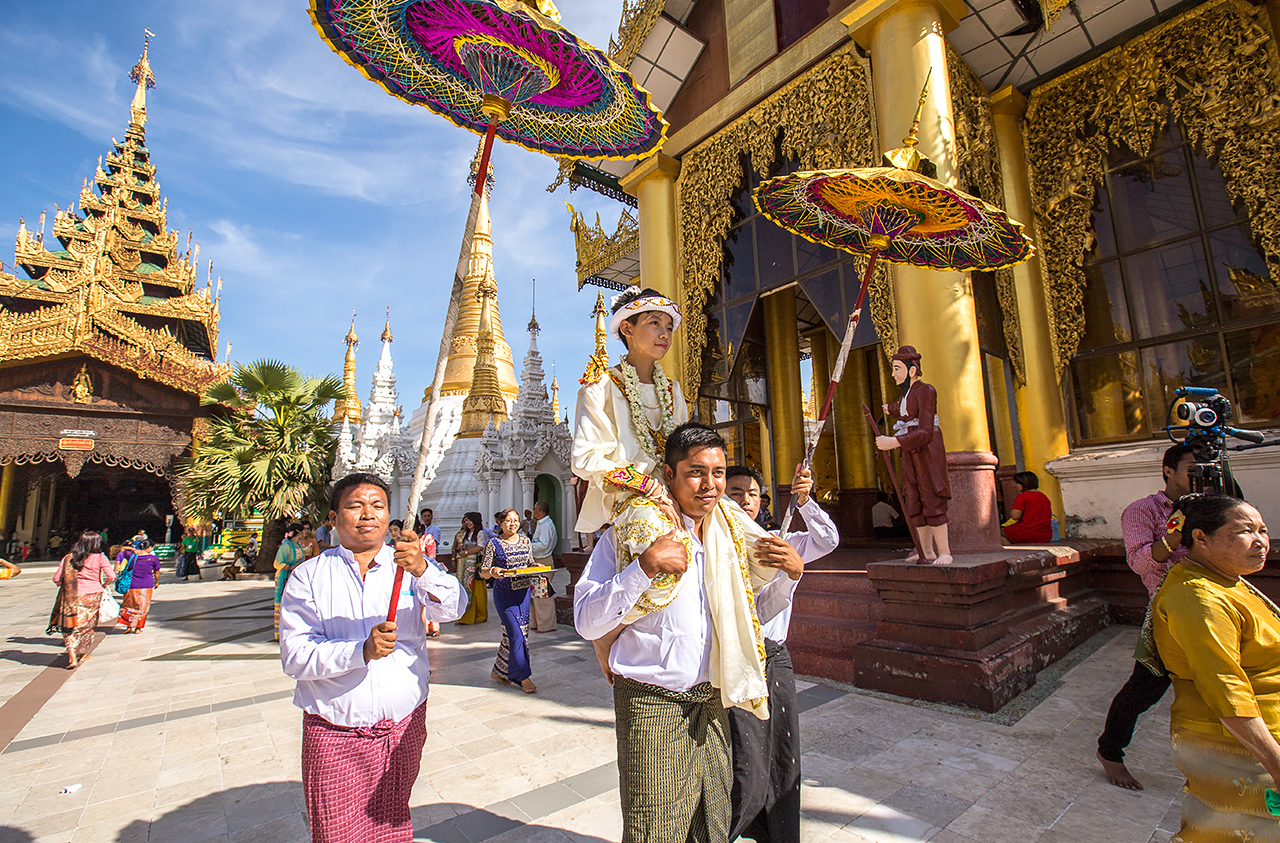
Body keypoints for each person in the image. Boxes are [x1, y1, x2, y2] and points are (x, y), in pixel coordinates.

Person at [575, 423, 799, 843]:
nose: (710, 485)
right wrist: (643, 568)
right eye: (696, 472)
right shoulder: (632, 533)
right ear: (667, 474)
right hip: (650, 703)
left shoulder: (730, 540)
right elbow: (587, 620)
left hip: (712, 702)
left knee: (711, 824)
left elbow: (753, 620)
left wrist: (789, 576)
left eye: (718, 473)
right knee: (654, 829)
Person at [280, 472, 466, 843]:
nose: (368, 514)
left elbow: (453, 608)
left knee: (392, 824)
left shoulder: (408, 567)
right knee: (337, 832)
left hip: (403, 725)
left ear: (389, 516)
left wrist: (425, 570)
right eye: (355, 506)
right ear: (333, 519)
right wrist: (359, 651)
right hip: (335, 733)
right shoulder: (309, 576)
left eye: (378, 506)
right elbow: (296, 657)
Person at [1149, 494, 1275, 841]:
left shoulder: (1228, 579)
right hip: (1239, 744)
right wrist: (1275, 761)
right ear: (1201, 538)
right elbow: (1224, 688)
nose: (1261, 541)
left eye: (1262, 530)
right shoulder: (1198, 596)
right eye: (1245, 532)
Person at [724, 463, 838, 843]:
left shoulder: (777, 539)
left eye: (752, 494)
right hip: (734, 660)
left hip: (773, 659)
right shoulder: (712, 547)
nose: (744, 500)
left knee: (781, 759)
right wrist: (791, 576)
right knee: (743, 764)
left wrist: (805, 501)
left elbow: (827, 539)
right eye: (736, 493)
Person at [1097, 443, 1195, 790]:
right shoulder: (1142, 511)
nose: (1198, 477)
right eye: (1191, 469)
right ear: (1168, 470)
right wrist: (1176, 533)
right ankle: (1110, 751)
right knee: (1144, 690)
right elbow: (1140, 563)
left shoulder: (1214, 508)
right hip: (1169, 613)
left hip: (1215, 608)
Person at [572, 287, 688, 537]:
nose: (664, 334)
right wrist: (649, 486)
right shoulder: (600, 387)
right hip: (629, 496)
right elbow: (585, 459)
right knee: (656, 530)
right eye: (654, 323)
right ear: (627, 329)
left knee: (728, 518)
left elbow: (684, 450)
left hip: (676, 488)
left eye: (669, 327)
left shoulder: (673, 391)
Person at [877, 345, 952, 564]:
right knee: (914, 500)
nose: (893, 374)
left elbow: (926, 432)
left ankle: (945, 552)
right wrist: (888, 410)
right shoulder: (904, 397)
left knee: (931, 497)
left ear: (911, 370)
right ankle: (925, 551)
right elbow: (896, 408)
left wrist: (895, 441)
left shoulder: (926, 390)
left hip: (926, 451)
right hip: (909, 453)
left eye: (897, 369)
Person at [480, 509, 539, 693]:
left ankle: (499, 670)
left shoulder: (525, 541)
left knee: (519, 634)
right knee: (515, 634)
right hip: (504, 594)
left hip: (522, 593)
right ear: (500, 523)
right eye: (508, 520)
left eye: (515, 520)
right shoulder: (493, 544)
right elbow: (483, 571)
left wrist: (535, 566)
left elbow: (529, 562)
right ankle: (522, 676)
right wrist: (492, 572)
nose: (512, 523)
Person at [48, 531, 114, 669]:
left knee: (70, 624)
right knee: (88, 625)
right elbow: (111, 576)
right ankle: (83, 653)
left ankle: (72, 655)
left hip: (71, 596)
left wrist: (67, 583)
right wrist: (104, 585)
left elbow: (57, 579)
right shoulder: (100, 557)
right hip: (93, 594)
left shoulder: (68, 558)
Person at [118, 540, 162, 633]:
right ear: (149, 547)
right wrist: (157, 582)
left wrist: (134, 549)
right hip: (146, 585)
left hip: (131, 585)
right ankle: (138, 628)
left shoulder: (132, 556)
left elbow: (122, 548)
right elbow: (157, 571)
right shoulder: (153, 558)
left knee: (129, 606)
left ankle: (129, 626)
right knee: (142, 607)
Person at [528, 500, 559, 633]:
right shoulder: (542, 524)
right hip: (537, 560)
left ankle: (546, 624)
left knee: (543, 595)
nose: (533, 511)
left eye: (535, 509)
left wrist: (527, 545)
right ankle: (537, 622)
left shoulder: (546, 524)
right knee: (536, 595)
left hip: (543, 561)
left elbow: (544, 544)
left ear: (539, 510)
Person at [454, 512, 488, 625]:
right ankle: (466, 616)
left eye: (469, 520)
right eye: (466, 521)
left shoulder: (480, 533)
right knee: (466, 591)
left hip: (475, 565)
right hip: (466, 566)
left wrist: (467, 552)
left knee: (477, 593)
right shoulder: (466, 534)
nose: (467, 523)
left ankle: (480, 615)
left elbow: (480, 547)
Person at [1002, 470, 1053, 544]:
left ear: (1023, 484)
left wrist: (1012, 511)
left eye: (1017, 483)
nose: (1016, 486)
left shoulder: (1023, 496)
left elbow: (1015, 516)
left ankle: (1011, 550)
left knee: (999, 533)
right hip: (1045, 535)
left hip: (1028, 532)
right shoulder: (1044, 497)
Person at [273, 524, 304, 642]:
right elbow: (277, 564)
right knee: (282, 602)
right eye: (302, 531)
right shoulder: (286, 546)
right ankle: (279, 632)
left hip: (294, 577)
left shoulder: (298, 545)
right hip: (284, 576)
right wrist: (291, 567)